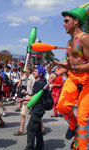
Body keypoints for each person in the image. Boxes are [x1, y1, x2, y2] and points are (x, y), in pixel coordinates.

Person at [49, 3, 89, 150]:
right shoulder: (70, 41)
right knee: (61, 106)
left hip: (87, 81)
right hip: (73, 77)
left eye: (66, 21)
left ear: (76, 21)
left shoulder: (85, 39)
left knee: (83, 118)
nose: (63, 24)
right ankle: (73, 125)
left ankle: (83, 146)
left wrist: (72, 67)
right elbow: (69, 63)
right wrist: (55, 73)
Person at [22, 65, 46, 150]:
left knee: (31, 128)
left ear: (40, 73)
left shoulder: (39, 83)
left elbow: (35, 97)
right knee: (37, 128)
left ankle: (30, 147)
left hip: (38, 109)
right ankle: (40, 146)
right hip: (38, 108)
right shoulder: (41, 83)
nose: (34, 72)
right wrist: (25, 99)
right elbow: (35, 97)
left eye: (36, 71)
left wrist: (23, 99)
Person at [14, 67, 35, 136]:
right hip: (26, 98)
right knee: (23, 114)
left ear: (29, 70)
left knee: (34, 116)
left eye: (25, 71)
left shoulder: (32, 78)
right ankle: (21, 130)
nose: (24, 72)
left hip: (31, 99)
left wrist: (27, 93)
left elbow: (34, 92)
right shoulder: (27, 77)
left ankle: (42, 128)